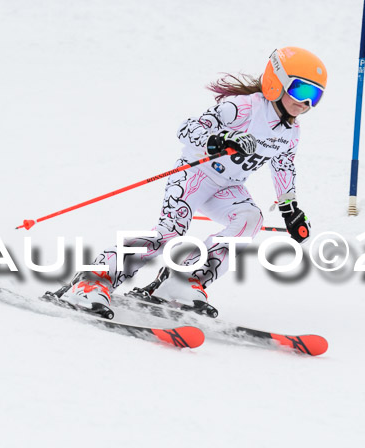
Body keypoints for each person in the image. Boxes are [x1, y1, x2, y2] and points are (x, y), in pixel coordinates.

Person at [60, 47, 328, 313]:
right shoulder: (243, 108)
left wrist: (290, 208)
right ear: (276, 81)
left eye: (314, 96)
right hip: (194, 174)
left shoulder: (291, 132)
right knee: (170, 234)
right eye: (301, 91)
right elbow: (187, 129)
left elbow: (283, 165)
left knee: (250, 219)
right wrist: (219, 139)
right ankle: (91, 282)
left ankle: (183, 280)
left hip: (229, 186)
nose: (306, 103)